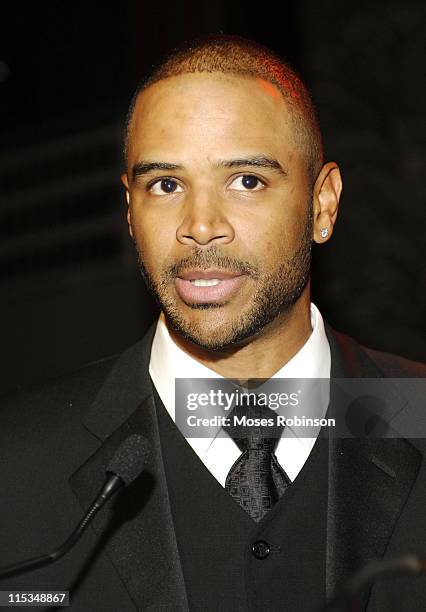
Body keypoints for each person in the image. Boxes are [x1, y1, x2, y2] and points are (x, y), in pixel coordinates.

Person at [0, 34, 425, 612]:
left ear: (322, 205)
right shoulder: (14, 460)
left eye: (247, 180)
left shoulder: (416, 412)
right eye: (166, 185)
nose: (200, 226)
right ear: (130, 211)